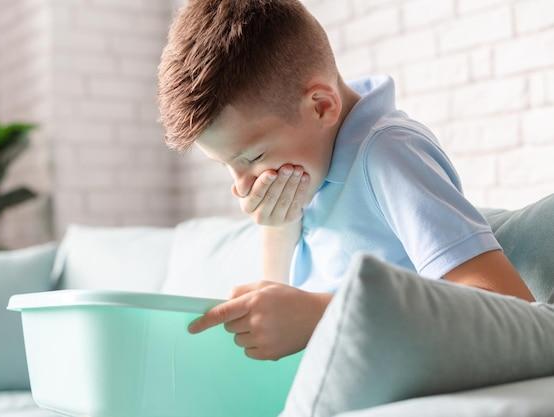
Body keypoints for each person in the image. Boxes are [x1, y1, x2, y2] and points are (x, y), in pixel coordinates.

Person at [156, 0, 535, 361]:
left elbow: (509, 305)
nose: (241, 187)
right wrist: (280, 223)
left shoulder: (387, 153)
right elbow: (283, 301)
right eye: (226, 165)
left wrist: (323, 316)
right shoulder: (313, 162)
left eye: (252, 157)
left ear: (322, 106)